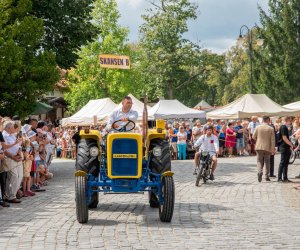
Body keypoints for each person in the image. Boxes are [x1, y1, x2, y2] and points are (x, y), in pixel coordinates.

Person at [253, 116, 276, 182]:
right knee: (267, 162)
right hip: (267, 147)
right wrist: (273, 149)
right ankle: (267, 176)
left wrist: (258, 139)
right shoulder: (271, 128)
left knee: (259, 161)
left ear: (263, 120)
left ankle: (260, 172)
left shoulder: (258, 127)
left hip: (259, 146)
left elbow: (253, 137)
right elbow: (273, 140)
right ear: (268, 120)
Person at [277, 116, 293, 182]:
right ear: (287, 120)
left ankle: (285, 178)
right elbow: (284, 137)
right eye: (290, 121)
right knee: (283, 162)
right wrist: (291, 144)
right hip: (284, 146)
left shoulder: (284, 127)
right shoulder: (283, 127)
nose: (290, 122)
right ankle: (280, 178)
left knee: (286, 163)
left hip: (286, 146)